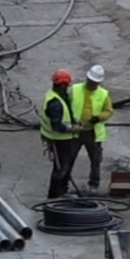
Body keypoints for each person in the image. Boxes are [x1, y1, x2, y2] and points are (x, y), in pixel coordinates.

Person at [40, 69, 83, 199]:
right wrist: (73, 129)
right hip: (59, 140)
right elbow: (57, 125)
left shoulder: (59, 96)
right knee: (61, 169)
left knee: (65, 166)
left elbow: (67, 111)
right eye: (66, 85)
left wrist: (74, 120)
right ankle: (54, 196)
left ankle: (62, 191)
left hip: (63, 139)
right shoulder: (55, 103)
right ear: (63, 85)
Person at [71, 65, 114, 193]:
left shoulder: (103, 94)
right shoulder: (74, 89)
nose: (92, 84)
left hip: (93, 133)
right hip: (75, 131)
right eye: (91, 81)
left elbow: (109, 110)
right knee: (69, 158)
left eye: (95, 83)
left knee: (95, 160)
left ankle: (93, 185)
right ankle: (64, 184)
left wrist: (99, 117)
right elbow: (66, 105)